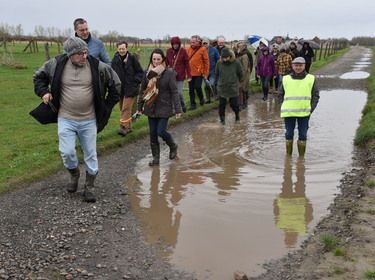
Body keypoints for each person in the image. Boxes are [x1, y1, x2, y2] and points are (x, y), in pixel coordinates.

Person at [33, 37, 121, 202]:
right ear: (70, 54)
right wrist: (44, 92)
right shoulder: (56, 64)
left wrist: (106, 107)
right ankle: (74, 174)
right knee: (67, 152)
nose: (84, 56)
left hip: (89, 119)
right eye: (80, 53)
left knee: (91, 154)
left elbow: (115, 85)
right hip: (66, 118)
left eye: (86, 52)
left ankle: (90, 186)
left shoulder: (97, 66)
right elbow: (38, 77)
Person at [136, 49, 182, 166]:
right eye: (154, 59)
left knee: (160, 131)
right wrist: (139, 107)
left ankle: (173, 145)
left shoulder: (169, 73)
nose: (156, 62)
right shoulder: (147, 72)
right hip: (151, 106)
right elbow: (143, 91)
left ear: (163, 60)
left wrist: (177, 109)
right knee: (152, 133)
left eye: (158, 59)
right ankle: (156, 158)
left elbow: (174, 92)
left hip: (164, 106)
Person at [278, 57, 319, 157]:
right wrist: (281, 107)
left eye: (300, 65)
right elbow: (280, 95)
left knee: (303, 135)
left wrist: (311, 109)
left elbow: (316, 96)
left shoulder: (311, 78)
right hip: (289, 112)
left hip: (304, 113)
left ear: (304, 66)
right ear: (292, 66)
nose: (298, 67)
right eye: (296, 65)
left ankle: (301, 159)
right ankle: (288, 157)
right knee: (288, 134)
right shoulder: (285, 79)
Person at [111, 40, 144, 137]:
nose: (121, 50)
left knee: (126, 108)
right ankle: (128, 128)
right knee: (122, 108)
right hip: (120, 88)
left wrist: (135, 81)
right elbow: (112, 73)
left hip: (131, 88)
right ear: (118, 49)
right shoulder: (115, 60)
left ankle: (123, 128)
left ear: (127, 49)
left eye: (123, 49)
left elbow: (140, 72)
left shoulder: (132, 59)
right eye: (120, 49)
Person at [215, 48, 243, 125]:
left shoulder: (236, 63)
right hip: (222, 87)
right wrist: (217, 84)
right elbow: (216, 74)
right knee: (221, 105)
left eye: (226, 58)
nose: (225, 59)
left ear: (230, 56)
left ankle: (237, 115)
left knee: (234, 105)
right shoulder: (219, 63)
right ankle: (222, 120)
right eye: (223, 58)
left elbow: (241, 74)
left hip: (233, 87)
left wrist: (237, 82)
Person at [166, 36, 192, 113]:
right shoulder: (169, 51)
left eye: (177, 44)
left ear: (179, 44)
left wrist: (189, 75)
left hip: (180, 76)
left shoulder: (183, 51)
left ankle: (183, 104)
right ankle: (174, 110)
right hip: (171, 76)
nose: (175, 45)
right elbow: (166, 62)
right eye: (174, 44)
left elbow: (187, 64)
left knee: (179, 93)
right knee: (172, 93)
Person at [186, 35, 209, 110]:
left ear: (197, 42)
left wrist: (205, 73)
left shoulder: (202, 49)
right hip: (190, 73)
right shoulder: (187, 50)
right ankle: (193, 104)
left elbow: (206, 62)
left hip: (199, 73)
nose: (192, 44)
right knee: (191, 89)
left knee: (198, 87)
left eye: (193, 42)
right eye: (191, 42)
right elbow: (185, 62)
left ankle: (201, 99)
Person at [235, 41, 253, 110]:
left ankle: (242, 104)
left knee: (242, 89)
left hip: (244, 75)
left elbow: (245, 68)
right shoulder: (239, 54)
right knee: (242, 89)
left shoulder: (244, 56)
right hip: (241, 74)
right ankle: (243, 103)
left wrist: (241, 76)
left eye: (239, 47)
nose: (238, 49)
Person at [202, 38, 220, 103]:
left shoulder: (214, 50)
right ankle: (207, 98)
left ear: (209, 43)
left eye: (206, 43)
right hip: (205, 72)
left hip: (213, 71)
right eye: (203, 43)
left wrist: (218, 68)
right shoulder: (201, 51)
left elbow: (218, 59)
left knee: (212, 84)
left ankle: (214, 96)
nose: (205, 45)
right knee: (206, 85)